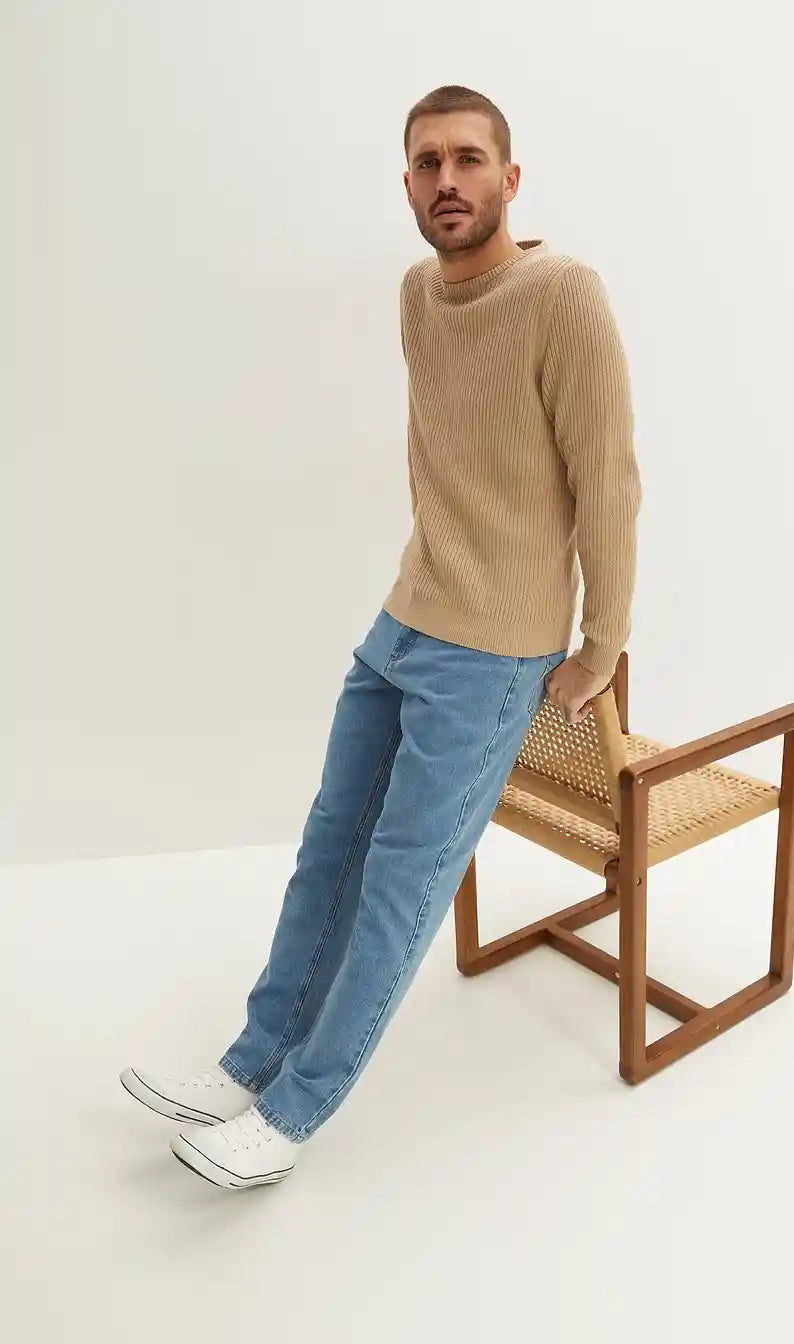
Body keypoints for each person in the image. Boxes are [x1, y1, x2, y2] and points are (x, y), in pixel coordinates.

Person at [121, 84, 643, 1190]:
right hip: (405, 617)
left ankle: (294, 1112)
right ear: (406, 183)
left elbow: (608, 481)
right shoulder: (418, 293)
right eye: (426, 163)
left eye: (468, 159)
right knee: (329, 847)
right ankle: (253, 1060)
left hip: (496, 650)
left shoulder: (563, 294)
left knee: (403, 879)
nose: (447, 180)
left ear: (511, 177)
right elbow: (443, 459)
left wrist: (600, 645)